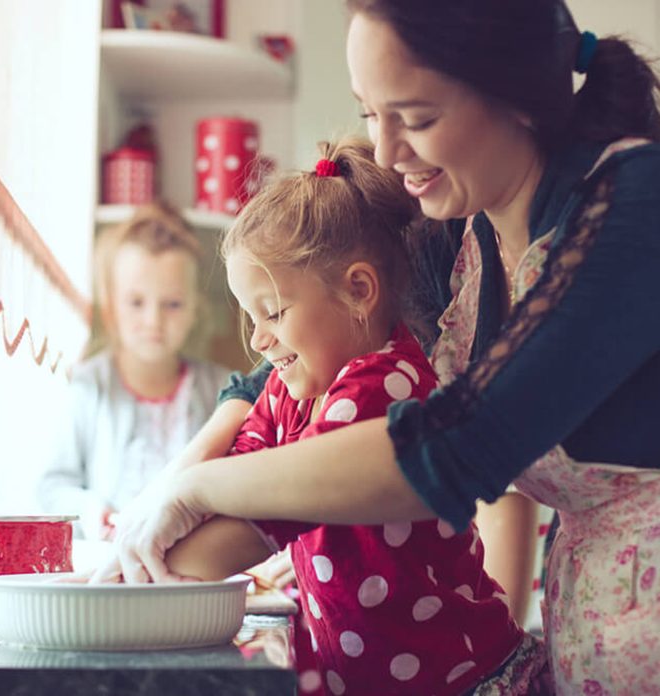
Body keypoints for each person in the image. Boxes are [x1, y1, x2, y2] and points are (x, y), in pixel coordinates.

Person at [96, 2, 660, 693]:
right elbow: (277, 368)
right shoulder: (458, 232)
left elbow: (451, 449)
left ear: (516, 98)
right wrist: (165, 498)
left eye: (417, 119)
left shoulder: (636, 209)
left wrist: (197, 486)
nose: (389, 153)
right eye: (371, 113)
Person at [159, 137, 547, 695]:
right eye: (251, 318)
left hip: (466, 683)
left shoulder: (383, 387)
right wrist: (170, 509)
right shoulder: (295, 387)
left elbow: (261, 518)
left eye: (274, 312)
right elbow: (245, 456)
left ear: (359, 290)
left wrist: (148, 554)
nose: (260, 339)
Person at [37, 202, 229, 540]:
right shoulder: (88, 386)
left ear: (193, 310)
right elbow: (53, 485)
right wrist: (94, 513)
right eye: (136, 302)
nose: (153, 321)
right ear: (110, 308)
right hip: (107, 563)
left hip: (192, 563)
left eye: (172, 304)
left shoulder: (223, 391)